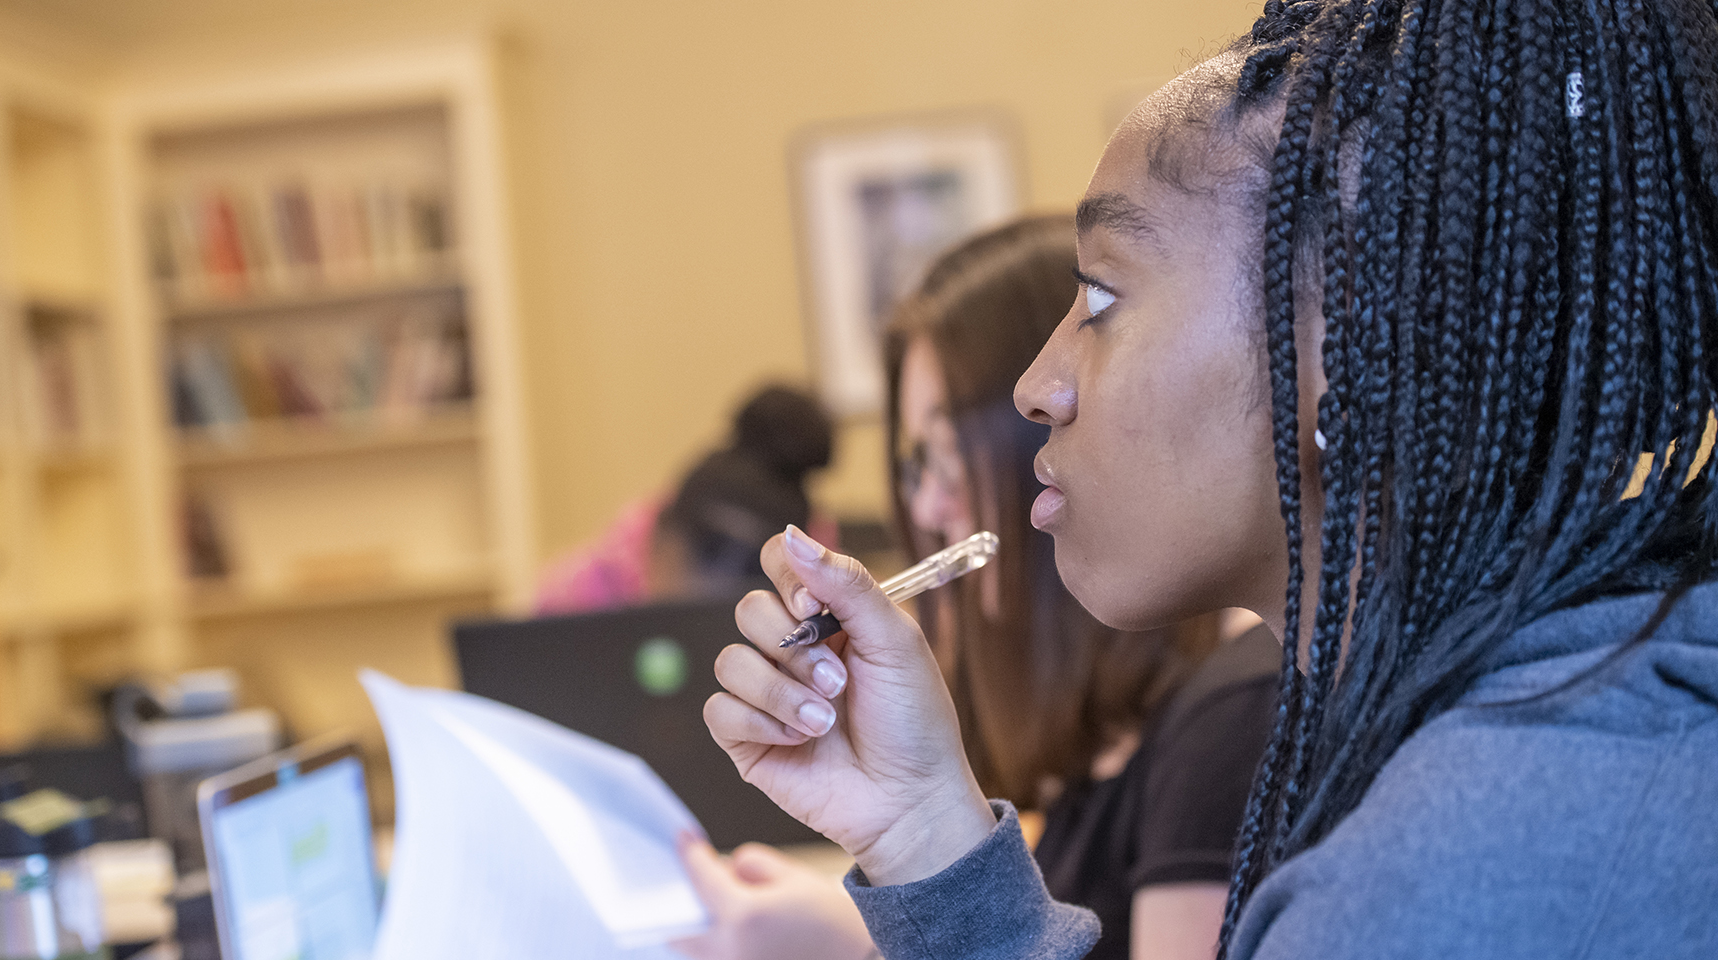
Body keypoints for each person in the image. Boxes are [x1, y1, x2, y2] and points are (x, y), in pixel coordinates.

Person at [701, 1, 1718, 958]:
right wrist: (922, 829)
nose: (1035, 385)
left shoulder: (1453, 871)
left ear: (1356, 348)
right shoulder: (1549, 717)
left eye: (1099, 295)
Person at [679, 217, 1279, 960]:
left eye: (945, 454)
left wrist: (856, 938)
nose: (927, 508)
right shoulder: (1096, 740)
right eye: (915, 464)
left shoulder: (1230, 719)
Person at [533, 384, 836, 613]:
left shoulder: (821, 581)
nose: (718, 587)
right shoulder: (570, 601)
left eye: (751, 569)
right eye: (709, 551)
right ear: (659, 540)